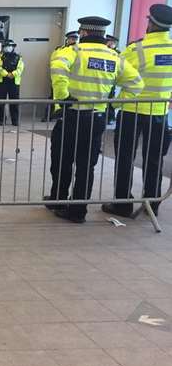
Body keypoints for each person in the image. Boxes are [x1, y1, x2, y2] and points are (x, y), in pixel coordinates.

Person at [45, 16, 143, 224]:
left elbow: (57, 69)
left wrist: (63, 97)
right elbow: (136, 84)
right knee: (86, 165)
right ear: (103, 34)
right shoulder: (115, 57)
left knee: (62, 159)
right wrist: (113, 104)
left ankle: (58, 200)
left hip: (71, 115)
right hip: (96, 119)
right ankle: (78, 211)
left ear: (83, 32)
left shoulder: (73, 52)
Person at [103, 4, 172, 219]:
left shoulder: (137, 50)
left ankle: (122, 203)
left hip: (132, 111)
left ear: (151, 24)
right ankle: (152, 204)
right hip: (159, 112)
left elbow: (118, 74)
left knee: (125, 158)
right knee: (154, 160)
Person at [43, 31, 80, 121]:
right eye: (71, 39)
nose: (73, 40)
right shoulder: (59, 50)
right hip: (58, 77)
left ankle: (62, 114)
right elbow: (53, 62)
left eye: (75, 39)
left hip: (70, 80)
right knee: (53, 97)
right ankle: (48, 116)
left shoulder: (79, 50)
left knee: (67, 98)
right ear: (67, 39)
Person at [0, 39, 24, 126]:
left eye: (9, 46)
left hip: (14, 82)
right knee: (1, 102)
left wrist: (13, 74)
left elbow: (20, 68)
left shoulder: (18, 57)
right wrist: (7, 74)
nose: (8, 48)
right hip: (1, 82)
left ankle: (15, 120)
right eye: (6, 46)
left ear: (13, 47)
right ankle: (1, 120)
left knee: (14, 102)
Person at [105, 34, 121, 125]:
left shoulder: (118, 53)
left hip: (112, 78)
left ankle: (110, 116)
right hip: (103, 77)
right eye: (109, 42)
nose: (110, 44)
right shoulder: (103, 51)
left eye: (112, 42)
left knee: (110, 97)